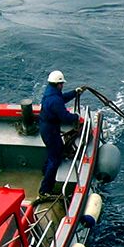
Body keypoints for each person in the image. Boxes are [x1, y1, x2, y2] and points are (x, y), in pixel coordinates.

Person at [38, 70, 85, 198]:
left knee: (52, 152)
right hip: (51, 131)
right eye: (62, 84)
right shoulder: (54, 100)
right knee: (55, 159)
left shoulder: (50, 93)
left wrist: (75, 93)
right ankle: (45, 189)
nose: (62, 86)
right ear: (58, 84)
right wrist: (76, 117)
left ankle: (44, 171)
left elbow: (61, 98)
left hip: (46, 128)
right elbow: (64, 116)